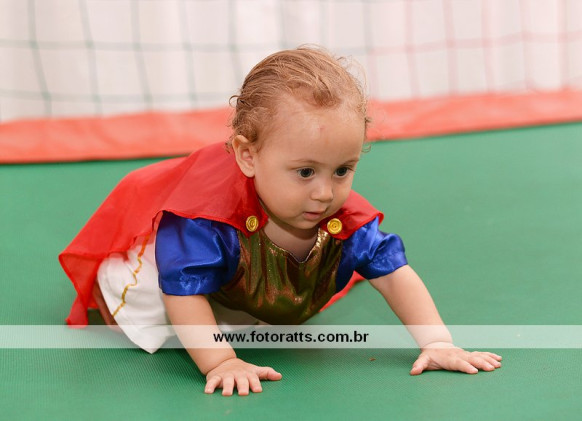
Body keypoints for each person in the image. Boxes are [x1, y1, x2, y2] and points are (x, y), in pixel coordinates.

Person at [59, 46, 502, 397]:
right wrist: (221, 361)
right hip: (172, 267)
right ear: (248, 156)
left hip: (242, 277)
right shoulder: (205, 220)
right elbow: (182, 289)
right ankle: (127, 287)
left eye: (342, 170)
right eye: (305, 171)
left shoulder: (343, 220)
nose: (324, 192)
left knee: (245, 315)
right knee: (150, 308)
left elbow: (394, 274)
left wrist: (437, 341)